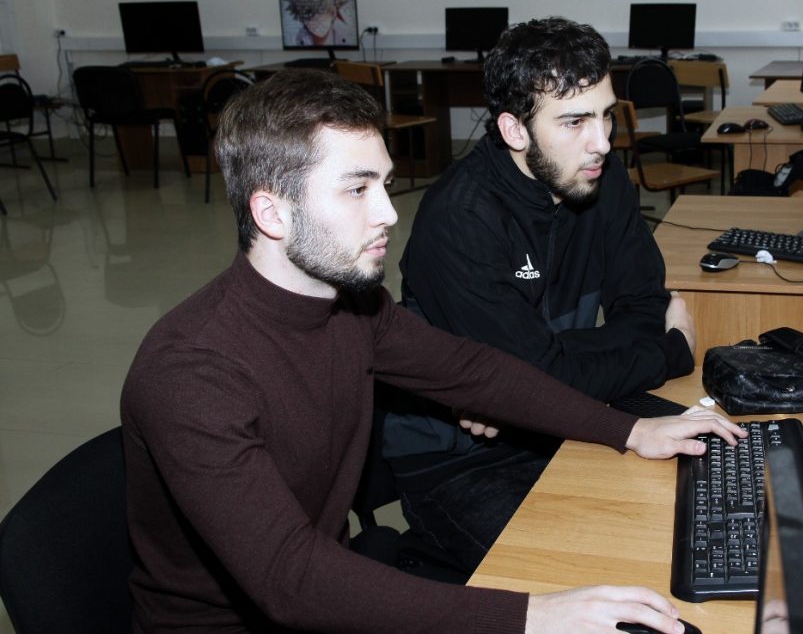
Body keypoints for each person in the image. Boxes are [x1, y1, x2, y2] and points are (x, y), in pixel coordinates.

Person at [120, 67, 743, 634]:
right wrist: (533, 614)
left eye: (385, 184)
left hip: (324, 591)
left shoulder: (352, 307)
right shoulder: (192, 373)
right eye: (357, 190)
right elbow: (292, 580)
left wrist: (630, 431)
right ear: (272, 213)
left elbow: (473, 372)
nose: (388, 213)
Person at [385, 17, 697, 571]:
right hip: (462, 463)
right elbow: (532, 381)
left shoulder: (600, 177)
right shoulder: (460, 219)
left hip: (575, 420)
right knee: (591, 578)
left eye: (605, 115)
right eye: (575, 122)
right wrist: (670, 351)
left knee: (691, 530)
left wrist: (536, 377)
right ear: (514, 131)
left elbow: (642, 308)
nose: (602, 142)